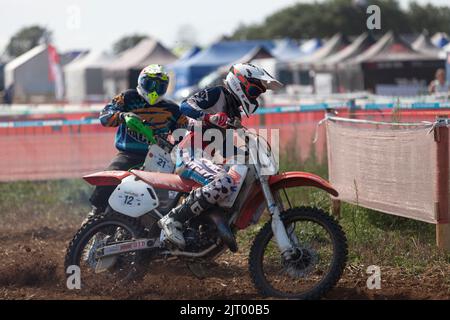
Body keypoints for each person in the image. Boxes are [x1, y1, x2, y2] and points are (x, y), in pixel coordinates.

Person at [158, 63, 282, 248]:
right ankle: (172, 219)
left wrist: (247, 154)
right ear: (240, 83)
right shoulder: (218, 93)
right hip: (188, 154)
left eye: (258, 93)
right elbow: (185, 106)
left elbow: (223, 146)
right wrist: (209, 117)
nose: (255, 97)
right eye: (254, 91)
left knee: (239, 178)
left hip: (205, 158)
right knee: (225, 182)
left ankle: (206, 234)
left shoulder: (233, 111)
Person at [87, 64, 188, 221]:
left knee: (169, 194)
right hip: (129, 154)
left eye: (160, 87)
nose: (154, 91)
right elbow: (105, 116)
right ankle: (96, 211)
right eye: (150, 84)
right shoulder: (128, 97)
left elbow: (183, 132)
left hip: (159, 159)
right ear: (141, 81)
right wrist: (122, 116)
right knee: (112, 175)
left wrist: (179, 143)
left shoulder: (172, 109)